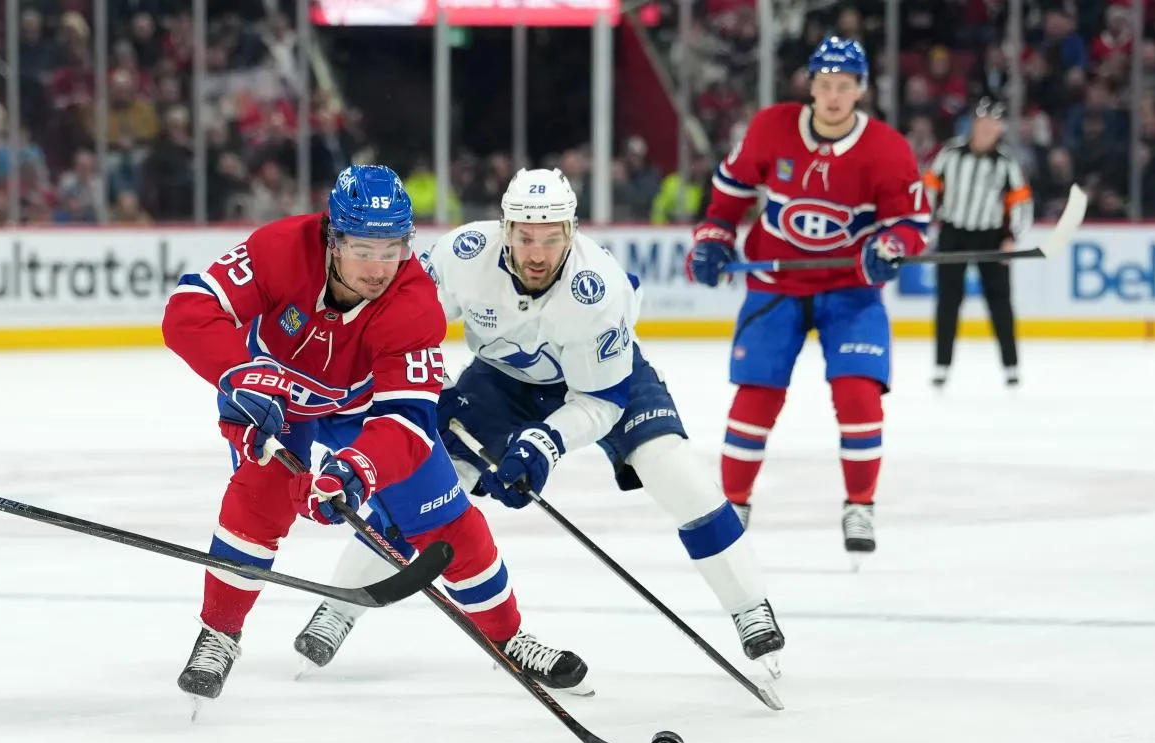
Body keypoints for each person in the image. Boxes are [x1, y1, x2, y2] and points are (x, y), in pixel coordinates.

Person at [291, 167, 785, 676]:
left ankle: (750, 607)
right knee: (427, 485)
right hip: (503, 378)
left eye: (551, 239)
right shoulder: (462, 255)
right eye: (525, 237)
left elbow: (601, 401)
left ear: (571, 232)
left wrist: (544, 443)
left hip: (603, 384)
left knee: (675, 471)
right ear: (505, 228)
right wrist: (428, 392)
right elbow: (406, 328)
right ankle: (340, 607)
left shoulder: (601, 288)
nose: (536, 253)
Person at [161, 164, 591, 707]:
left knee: (448, 525)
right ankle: (219, 634)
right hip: (276, 398)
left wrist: (355, 470)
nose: (380, 267)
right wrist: (237, 373)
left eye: (394, 249)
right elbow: (188, 310)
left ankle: (508, 637)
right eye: (364, 248)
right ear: (332, 238)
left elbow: (406, 422)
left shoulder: (414, 302)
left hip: (367, 411)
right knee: (257, 500)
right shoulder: (279, 249)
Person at [685, 36, 931, 568]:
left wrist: (889, 247)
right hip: (776, 284)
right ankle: (735, 506)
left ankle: (860, 506)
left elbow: (911, 224)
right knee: (756, 397)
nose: (834, 96)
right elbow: (728, 194)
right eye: (825, 85)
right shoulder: (772, 127)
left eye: (845, 86)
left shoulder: (888, 149)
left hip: (850, 289)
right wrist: (713, 237)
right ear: (811, 86)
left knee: (860, 396)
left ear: (861, 89)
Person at [923, 96, 1033, 388]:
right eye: (981, 123)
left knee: (1000, 303)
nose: (986, 129)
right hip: (952, 232)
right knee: (947, 302)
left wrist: (1012, 237)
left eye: (992, 124)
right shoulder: (950, 153)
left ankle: (1011, 366)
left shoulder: (1006, 163)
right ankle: (941, 365)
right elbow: (930, 190)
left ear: (1000, 128)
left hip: (991, 236)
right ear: (973, 124)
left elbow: (1021, 203)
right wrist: (925, 226)